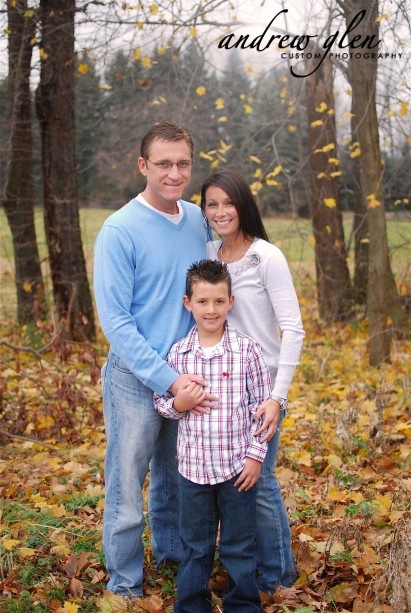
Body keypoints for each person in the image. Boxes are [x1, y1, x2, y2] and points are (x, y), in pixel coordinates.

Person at [93, 122, 215, 596]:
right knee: (127, 484)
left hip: (187, 375)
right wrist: (166, 380)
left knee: (176, 478)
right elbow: (117, 322)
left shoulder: (197, 220)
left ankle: (172, 556)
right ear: (143, 165)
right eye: (163, 163)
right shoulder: (120, 229)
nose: (174, 172)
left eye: (182, 163)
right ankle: (124, 585)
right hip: (136, 377)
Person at [201, 169, 305, 595]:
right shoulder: (208, 253)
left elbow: (293, 329)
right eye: (212, 204)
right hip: (219, 387)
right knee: (232, 483)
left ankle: (278, 577)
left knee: (259, 482)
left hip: (261, 392)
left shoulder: (267, 257)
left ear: (243, 205)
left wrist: (277, 398)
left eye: (229, 203)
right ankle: (248, 568)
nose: (221, 212)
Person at [154, 259, 272, 613]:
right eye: (202, 301)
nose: (211, 310)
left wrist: (254, 457)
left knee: (238, 543)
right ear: (187, 303)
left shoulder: (247, 351)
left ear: (231, 303)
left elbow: (262, 410)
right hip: (192, 472)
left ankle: (243, 605)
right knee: (195, 544)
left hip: (237, 469)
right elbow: (161, 404)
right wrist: (180, 402)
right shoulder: (178, 353)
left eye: (219, 301)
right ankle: (192, 605)